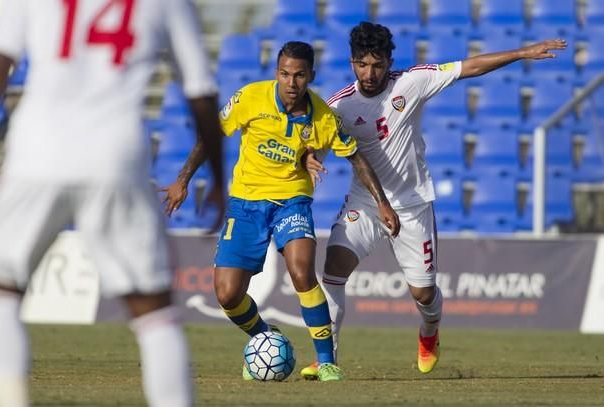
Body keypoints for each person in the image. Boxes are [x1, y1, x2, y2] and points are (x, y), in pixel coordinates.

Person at [0, 0, 226, 406]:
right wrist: (218, 179)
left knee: (1, 293)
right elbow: (201, 93)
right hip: (115, 157)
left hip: (35, 155)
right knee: (154, 314)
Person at [300, 21, 567, 379]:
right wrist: (309, 157)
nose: (369, 73)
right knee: (333, 268)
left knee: (423, 294)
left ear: (388, 61)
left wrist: (520, 53)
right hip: (365, 204)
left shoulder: (411, 82)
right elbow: (314, 144)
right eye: (362, 64)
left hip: (412, 206)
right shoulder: (339, 106)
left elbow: (468, 67)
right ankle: (326, 357)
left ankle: (429, 333)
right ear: (351, 63)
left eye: (377, 64)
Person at [161, 41, 400, 382]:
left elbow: (357, 159)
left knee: (302, 271)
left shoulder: (324, 117)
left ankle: (326, 360)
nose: (291, 82)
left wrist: (382, 203)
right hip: (245, 203)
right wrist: (182, 181)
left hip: (292, 201)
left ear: (310, 77)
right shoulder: (251, 98)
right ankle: (265, 337)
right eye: (285, 74)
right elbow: (210, 136)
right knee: (228, 295)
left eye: (299, 75)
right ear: (277, 73)